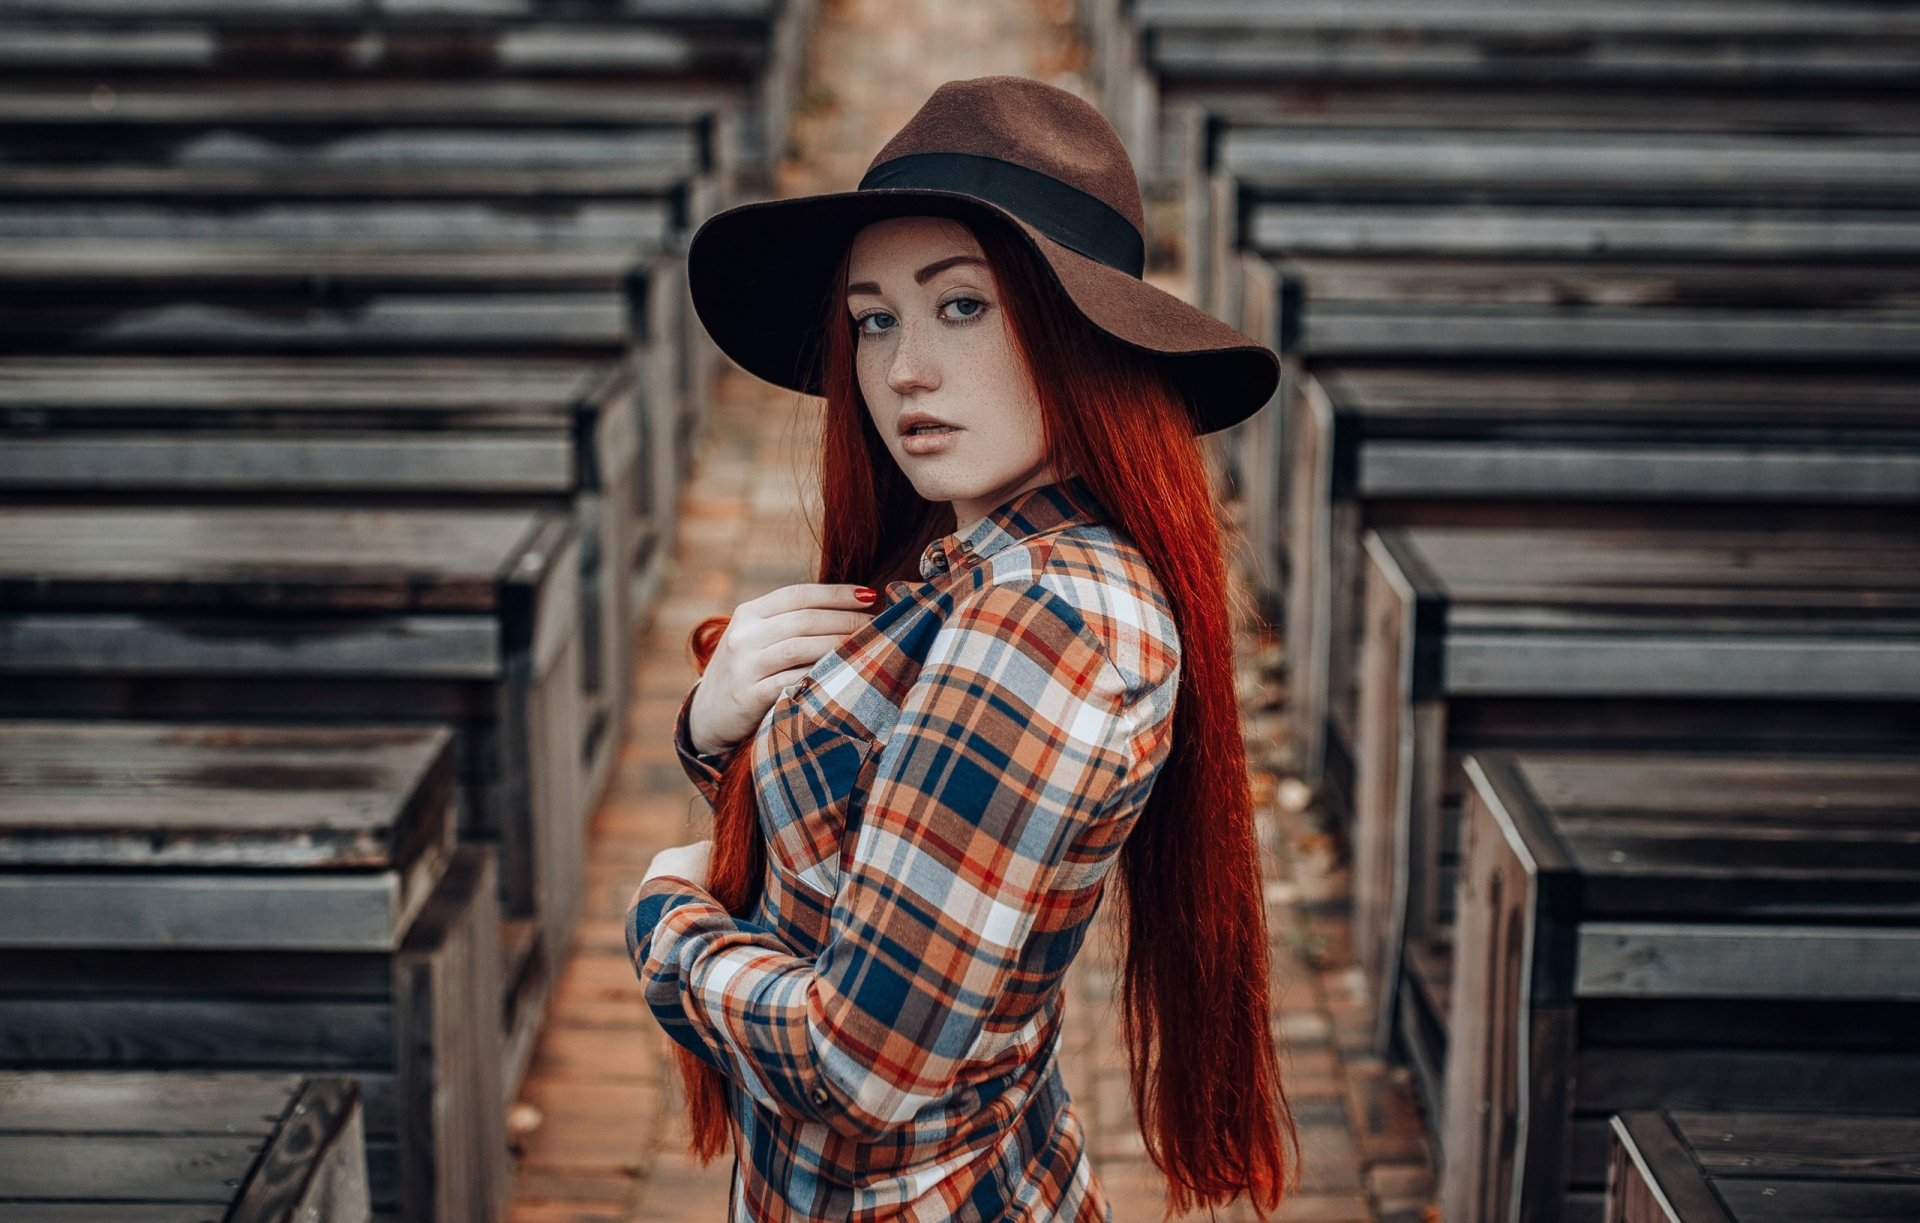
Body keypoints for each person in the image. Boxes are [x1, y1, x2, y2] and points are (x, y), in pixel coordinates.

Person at [626, 74, 1300, 1221]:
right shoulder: (976, 563)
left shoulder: (1043, 623)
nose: (901, 373)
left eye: (963, 306)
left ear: (1081, 329)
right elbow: (864, 840)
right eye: (875, 317)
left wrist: (665, 924)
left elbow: (860, 1069)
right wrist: (715, 726)